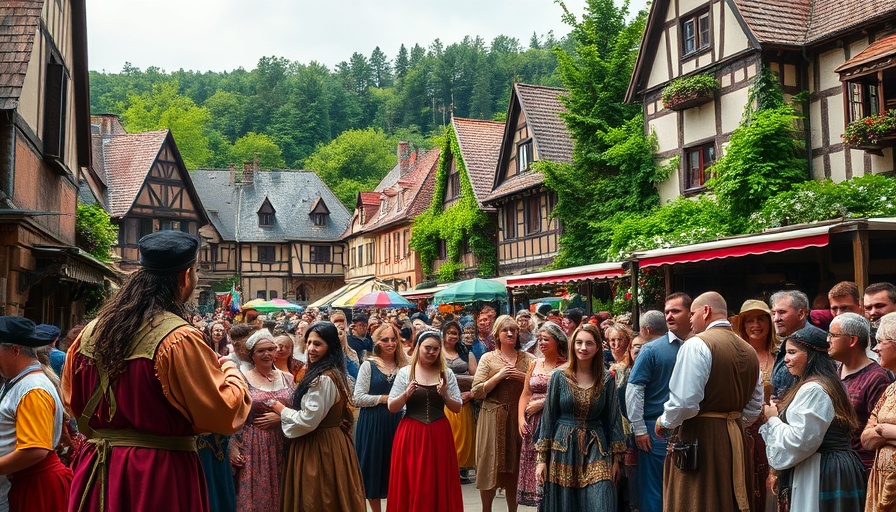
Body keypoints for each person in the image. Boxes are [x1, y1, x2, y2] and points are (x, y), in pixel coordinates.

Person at [62, 230, 251, 512]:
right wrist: (231, 372)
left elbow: (72, 402)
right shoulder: (178, 338)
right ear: (185, 277)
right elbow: (224, 413)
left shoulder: (90, 333)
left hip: (98, 469)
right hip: (157, 473)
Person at [656, 292, 763, 512]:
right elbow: (754, 408)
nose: (691, 321)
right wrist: (732, 425)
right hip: (736, 438)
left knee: (699, 500)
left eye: (692, 314)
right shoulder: (750, 350)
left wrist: (664, 421)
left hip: (699, 440)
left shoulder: (696, 345)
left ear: (706, 312)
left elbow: (684, 403)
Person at [759, 327, 866, 511]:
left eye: (792, 352)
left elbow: (800, 440)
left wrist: (773, 419)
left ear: (812, 356)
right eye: (786, 353)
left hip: (822, 469)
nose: (786, 359)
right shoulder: (824, 383)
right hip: (829, 465)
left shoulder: (814, 389)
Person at [270, 322, 366, 512]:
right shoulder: (330, 372)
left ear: (330, 346)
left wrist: (281, 409)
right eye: (309, 343)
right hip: (331, 443)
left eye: (318, 344)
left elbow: (308, 420)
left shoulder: (323, 379)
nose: (311, 348)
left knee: (319, 498)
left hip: (319, 446)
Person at [535, 323, 625, 510]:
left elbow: (613, 419)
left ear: (598, 347)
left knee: (602, 502)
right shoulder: (559, 376)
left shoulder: (606, 379)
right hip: (563, 448)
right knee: (567, 505)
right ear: (572, 345)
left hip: (596, 447)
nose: (583, 348)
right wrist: (542, 460)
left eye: (589, 343)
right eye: (579, 342)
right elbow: (548, 418)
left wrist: (617, 460)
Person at [386, 330, 464, 511]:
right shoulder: (405, 373)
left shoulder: (447, 374)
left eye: (436, 349)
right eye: (427, 348)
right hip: (411, 433)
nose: (432, 352)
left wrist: (445, 395)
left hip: (439, 433)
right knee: (412, 480)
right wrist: (405, 394)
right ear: (418, 347)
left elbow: (457, 407)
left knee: (437, 480)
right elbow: (392, 407)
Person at [0, 317, 72, 511]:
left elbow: (34, 450)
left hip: (37, 486)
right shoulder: (19, 382)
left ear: (14, 350)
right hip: (26, 482)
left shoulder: (33, 388)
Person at [625, 297, 688, 512]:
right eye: (667, 311)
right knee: (655, 490)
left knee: (684, 488)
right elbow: (634, 389)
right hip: (656, 431)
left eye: (675, 311)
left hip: (691, 428)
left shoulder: (699, 345)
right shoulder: (651, 350)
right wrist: (640, 429)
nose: (669, 315)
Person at [472, 315, 534, 512]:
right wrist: (497, 377)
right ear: (497, 334)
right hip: (492, 416)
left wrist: (521, 377)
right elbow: (476, 391)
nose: (510, 333)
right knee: (489, 465)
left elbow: (539, 385)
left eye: (513, 330)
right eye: (505, 330)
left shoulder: (529, 359)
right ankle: (486, 509)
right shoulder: (488, 358)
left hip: (517, 417)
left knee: (514, 468)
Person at [232, 329, 294, 512]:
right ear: (252, 355)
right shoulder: (242, 379)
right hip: (254, 444)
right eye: (261, 351)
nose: (267, 354)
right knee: (257, 493)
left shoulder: (288, 378)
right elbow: (235, 414)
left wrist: (281, 416)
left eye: (270, 349)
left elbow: (298, 410)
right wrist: (233, 445)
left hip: (284, 441)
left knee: (284, 489)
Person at [828, 312, 892, 473]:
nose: (828, 340)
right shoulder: (834, 371)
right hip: (836, 464)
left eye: (833, 335)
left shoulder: (876, 378)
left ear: (852, 340)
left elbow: (876, 431)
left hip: (862, 468)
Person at [354, 324, 407, 512]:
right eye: (385, 339)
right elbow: (357, 398)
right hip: (372, 423)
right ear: (376, 342)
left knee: (397, 471)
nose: (390, 343)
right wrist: (384, 399)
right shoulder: (369, 365)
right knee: (373, 469)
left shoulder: (404, 365)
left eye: (393, 339)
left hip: (399, 423)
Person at [730, 299, 776, 512]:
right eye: (750, 320)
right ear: (742, 324)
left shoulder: (783, 354)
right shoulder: (734, 354)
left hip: (775, 430)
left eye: (761, 319)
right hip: (743, 430)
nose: (756, 325)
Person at [517, 321, 567, 508]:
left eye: (546, 339)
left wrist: (543, 404)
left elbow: (568, 395)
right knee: (535, 471)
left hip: (555, 422)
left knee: (552, 466)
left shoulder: (567, 366)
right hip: (532, 423)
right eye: (539, 339)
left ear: (558, 341)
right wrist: (521, 419)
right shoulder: (534, 364)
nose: (542, 343)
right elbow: (525, 394)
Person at [863, 312, 896, 510]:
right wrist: (884, 430)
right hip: (882, 481)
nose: (875, 348)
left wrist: (885, 431)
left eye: (880, 341)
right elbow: (866, 439)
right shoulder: (891, 389)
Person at [440, 320, 478, 481]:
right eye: (449, 332)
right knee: (449, 437)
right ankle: (447, 468)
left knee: (464, 438)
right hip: (443, 400)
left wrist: (468, 390)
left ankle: (461, 469)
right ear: (443, 334)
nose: (452, 336)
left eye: (455, 333)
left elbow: (477, 378)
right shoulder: (437, 352)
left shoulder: (466, 353)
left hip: (464, 400)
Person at [770, 290, 824, 398]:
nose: (776, 319)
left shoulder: (817, 342)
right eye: (773, 313)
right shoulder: (786, 341)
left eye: (782, 312)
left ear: (801, 314)